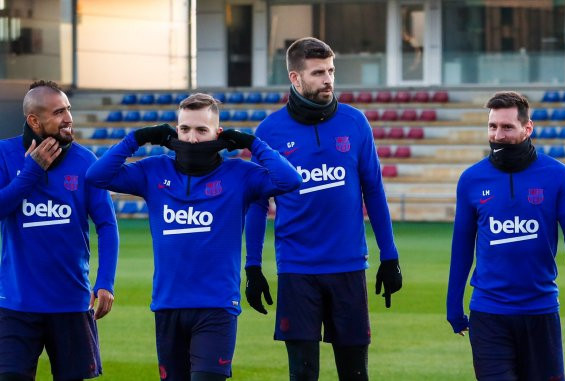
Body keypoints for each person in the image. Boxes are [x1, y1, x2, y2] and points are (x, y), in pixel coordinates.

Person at [85, 93, 301, 381]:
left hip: (216, 306)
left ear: (218, 134)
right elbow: (96, 176)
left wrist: (252, 144)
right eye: (185, 129)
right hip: (167, 305)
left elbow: (290, 180)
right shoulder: (153, 171)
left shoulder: (239, 174)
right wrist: (137, 137)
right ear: (175, 131)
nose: (192, 139)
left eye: (202, 130)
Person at [243, 37, 402, 381]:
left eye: (331, 70)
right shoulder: (269, 132)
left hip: (348, 267)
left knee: (355, 373)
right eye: (318, 73)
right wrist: (253, 267)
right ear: (295, 79)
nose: (328, 79)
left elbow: (373, 191)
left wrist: (389, 256)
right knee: (302, 373)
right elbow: (257, 205)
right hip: (297, 270)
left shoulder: (355, 122)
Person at [446, 91, 565, 380]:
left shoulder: (557, 175)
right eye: (492, 126)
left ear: (527, 128)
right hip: (488, 313)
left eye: (507, 127)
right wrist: (453, 303)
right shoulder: (471, 179)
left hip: (540, 310)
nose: (498, 135)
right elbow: (462, 245)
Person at [0, 80, 119, 381]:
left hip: (71, 303)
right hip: (16, 303)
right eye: (58, 112)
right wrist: (32, 171)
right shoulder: (5, 154)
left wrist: (105, 281)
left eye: (68, 109)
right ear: (34, 121)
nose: (68, 118)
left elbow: (107, 225)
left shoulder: (85, 161)